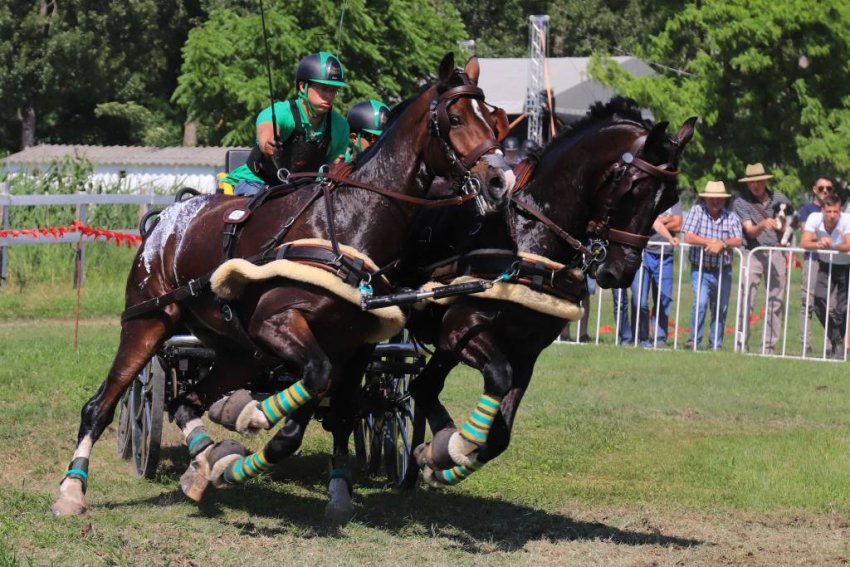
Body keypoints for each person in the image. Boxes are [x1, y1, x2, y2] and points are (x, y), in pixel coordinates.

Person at [222, 51, 351, 196]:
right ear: (303, 86)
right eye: (323, 89)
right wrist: (267, 141)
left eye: (334, 90)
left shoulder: (340, 126)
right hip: (256, 182)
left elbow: (332, 168)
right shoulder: (283, 112)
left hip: (301, 190)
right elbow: (266, 127)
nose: (329, 95)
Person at [732, 163, 793, 354]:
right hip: (752, 252)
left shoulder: (780, 198)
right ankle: (742, 344)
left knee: (776, 300)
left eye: (758, 181)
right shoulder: (741, 202)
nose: (755, 185)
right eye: (751, 182)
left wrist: (781, 227)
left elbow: (791, 225)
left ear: (765, 181)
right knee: (746, 299)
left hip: (775, 252)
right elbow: (749, 231)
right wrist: (763, 225)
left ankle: (768, 347)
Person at [683, 181, 743, 350]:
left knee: (720, 308)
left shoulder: (731, 216)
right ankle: (693, 340)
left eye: (719, 198)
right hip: (700, 268)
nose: (715, 201)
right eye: (712, 198)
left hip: (723, 270)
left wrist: (722, 244)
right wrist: (711, 242)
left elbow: (738, 240)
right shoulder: (697, 211)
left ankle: (715, 344)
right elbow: (688, 236)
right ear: (706, 198)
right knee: (700, 303)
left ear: (724, 200)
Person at [799, 192, 850, 359]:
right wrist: (819, 243)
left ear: (840, 210)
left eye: (835, 212)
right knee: (818, 301)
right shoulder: (814, 218)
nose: (832, 216)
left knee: (842, 310)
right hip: (825, 265)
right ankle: (837, 339)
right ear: (823, 210)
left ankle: (840, 348)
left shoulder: (846, 220)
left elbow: (849, 244)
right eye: (828, 211)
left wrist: (833, 245)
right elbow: (804, 242)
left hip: (845, 267)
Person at [631, 204, 683, 348]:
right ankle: (642, 337)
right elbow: (644, 221)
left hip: (665, 255)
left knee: (664, 298)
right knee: (640, 300)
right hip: (643, 252)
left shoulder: (674, 200)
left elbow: (678, 225)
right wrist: (666, 220)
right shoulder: (649, 195)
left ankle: (659, 339)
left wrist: (655, 220)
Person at [798, 176, 836, 353]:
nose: (825, 191)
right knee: (808, 302)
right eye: (821, 188)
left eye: (828, 188)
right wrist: (828, 238)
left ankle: (831, 344)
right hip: (812, 260)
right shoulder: (807, 210)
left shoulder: (835, 210)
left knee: (831, 305)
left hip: (833, 262)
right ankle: (805, 345)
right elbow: (807, 234)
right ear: (814, 190)